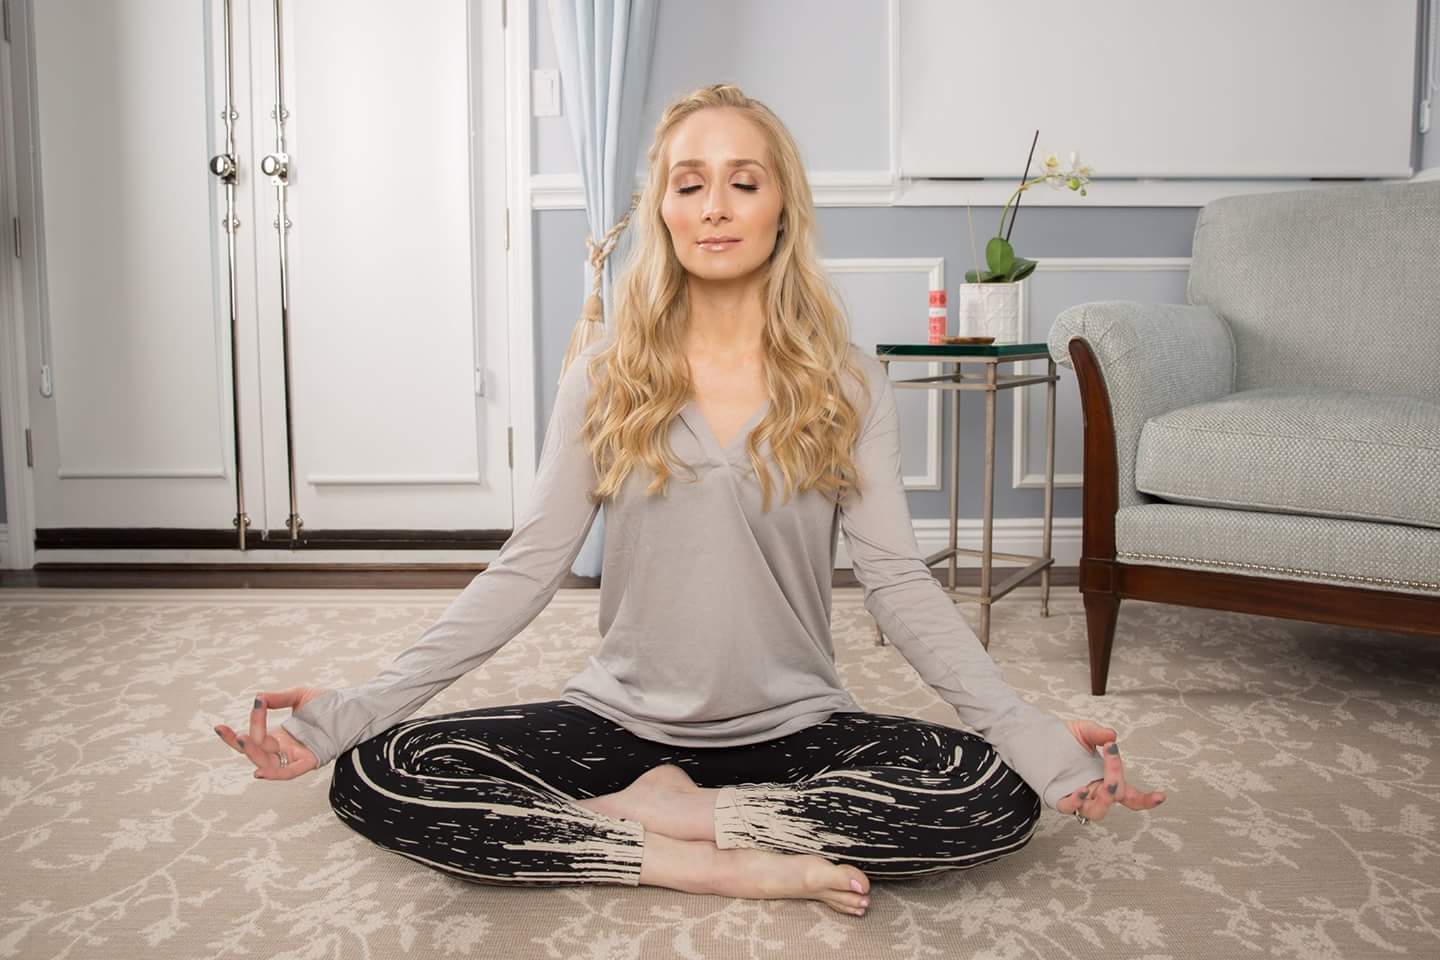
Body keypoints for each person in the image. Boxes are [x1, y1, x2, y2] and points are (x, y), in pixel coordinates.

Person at [215, 83, 1165, 918]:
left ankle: (685, 817)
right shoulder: (603, 376)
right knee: (378, 773)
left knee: (990, 792)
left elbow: (899, 585)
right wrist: (356, 707)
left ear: (782, 207)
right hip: (619, 725)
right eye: (689, 183)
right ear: (661, 209)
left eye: (743, 182)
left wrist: (1024, 730)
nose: (715, 207)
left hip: (796, 728)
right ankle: (691, 859)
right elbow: (525, 570)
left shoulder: (847, 382)